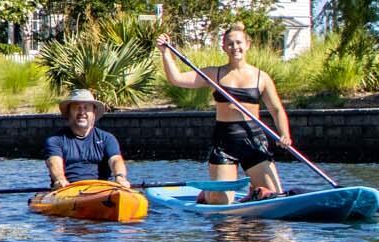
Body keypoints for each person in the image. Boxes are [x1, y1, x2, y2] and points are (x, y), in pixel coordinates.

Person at [157, 26, 291, 204]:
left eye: (239, 42)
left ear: (248, 45)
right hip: (225, 141)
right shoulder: (214, 74)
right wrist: (165, 52)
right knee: (221, 200)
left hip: (254, 140)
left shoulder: (261, 77)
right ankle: (207, 194)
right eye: (230, 44)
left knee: (273, 196)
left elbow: (276, 110)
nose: (235, 47)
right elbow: (177, 79)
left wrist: (285, 134)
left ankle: (252, 194)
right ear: (224, 47)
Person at [43, 88, 130, 189]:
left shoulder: (107, 138)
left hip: (101, 190)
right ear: (69, 112)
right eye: (77, 107)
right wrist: (59, 179)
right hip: (67, 190)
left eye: (86, 107)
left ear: (93, 112)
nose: (82, 112)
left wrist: (120, 177)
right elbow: (54, 162)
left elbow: (116, 160)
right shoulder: (55, 140)